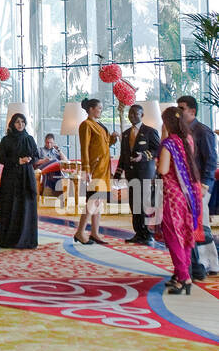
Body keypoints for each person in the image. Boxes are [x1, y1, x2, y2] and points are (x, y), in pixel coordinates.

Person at [157, 106, 203, 295]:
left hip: (173, 196)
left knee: (174, 237)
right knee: (185, 234)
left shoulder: (168, 144)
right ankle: (181, 274)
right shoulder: (188, 139)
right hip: (189, 195)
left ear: (167, 124)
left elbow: (163, 170)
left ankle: (184, 277)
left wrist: (162, 143)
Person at [178, 96, 217, 279]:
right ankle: (202, 262)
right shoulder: (182, 131)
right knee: (195, 225)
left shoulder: (202, 131)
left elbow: (211, 159)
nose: (178, 111)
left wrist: (205, 184)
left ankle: (210, 263)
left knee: (202, 224)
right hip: (188, 186)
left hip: (201, 185)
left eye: (182, 108)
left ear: (192, 111)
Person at [114, 102, 161, 245]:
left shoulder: (150, 131)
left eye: (135, 113)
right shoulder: (126, 134)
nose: (132, 116)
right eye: (130, 113)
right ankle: (138, 233)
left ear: (142, 115)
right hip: (131, 174)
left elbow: (157, 150)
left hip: (145, 173)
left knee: (145, 204)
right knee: (134, 204)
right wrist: (117, 174)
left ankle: (148, 234)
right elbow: (123, 155)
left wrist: (144, 156)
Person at [77, 97, 118, 245]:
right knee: (93, 200)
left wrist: (113, 139)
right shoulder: (86, 125)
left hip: (103, 168)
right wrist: (86, 169)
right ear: (91, 109)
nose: (101, 110)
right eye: (99, 108)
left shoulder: (99, 125)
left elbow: (104, 144)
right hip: (94, 168)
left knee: (98, 201)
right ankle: (80, 231)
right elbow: (84, 148)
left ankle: (95, 232)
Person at [0, 113, 40, 249]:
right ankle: (9, 239)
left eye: (22, 122)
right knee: (10, 206)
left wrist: (29, 160)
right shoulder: (6, 140)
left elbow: (36, 156)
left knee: (26, 206)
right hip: (10, 177)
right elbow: (1, 158)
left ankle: (26, 239)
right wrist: (17, 161)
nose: (20, 124)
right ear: (12, 124)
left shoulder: (29, 139)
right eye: (17, 122)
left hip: (26, 176)